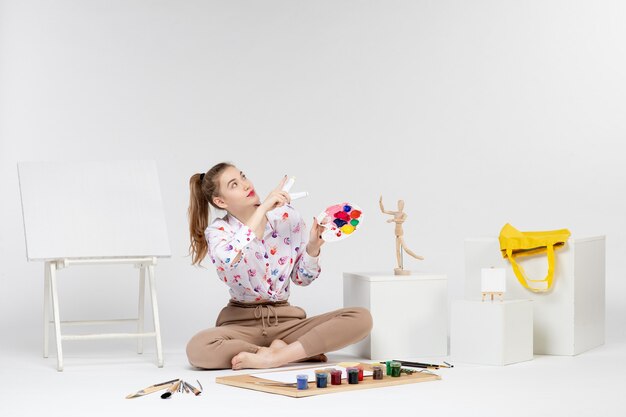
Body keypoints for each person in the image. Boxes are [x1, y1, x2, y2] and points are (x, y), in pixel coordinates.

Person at [185, 162, 372, 370]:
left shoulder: (287, 217)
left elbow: (302, 279)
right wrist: (263, 208)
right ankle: (290, 353)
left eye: (243, 176)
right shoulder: (218, 231)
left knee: (361, 318)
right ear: (220, 201)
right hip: (240, 326)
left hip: (286, 324)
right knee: (198, 348)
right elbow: (227, 258)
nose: (246, 185)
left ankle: (273, 358)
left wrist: (313, 246)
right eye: (234, 184)